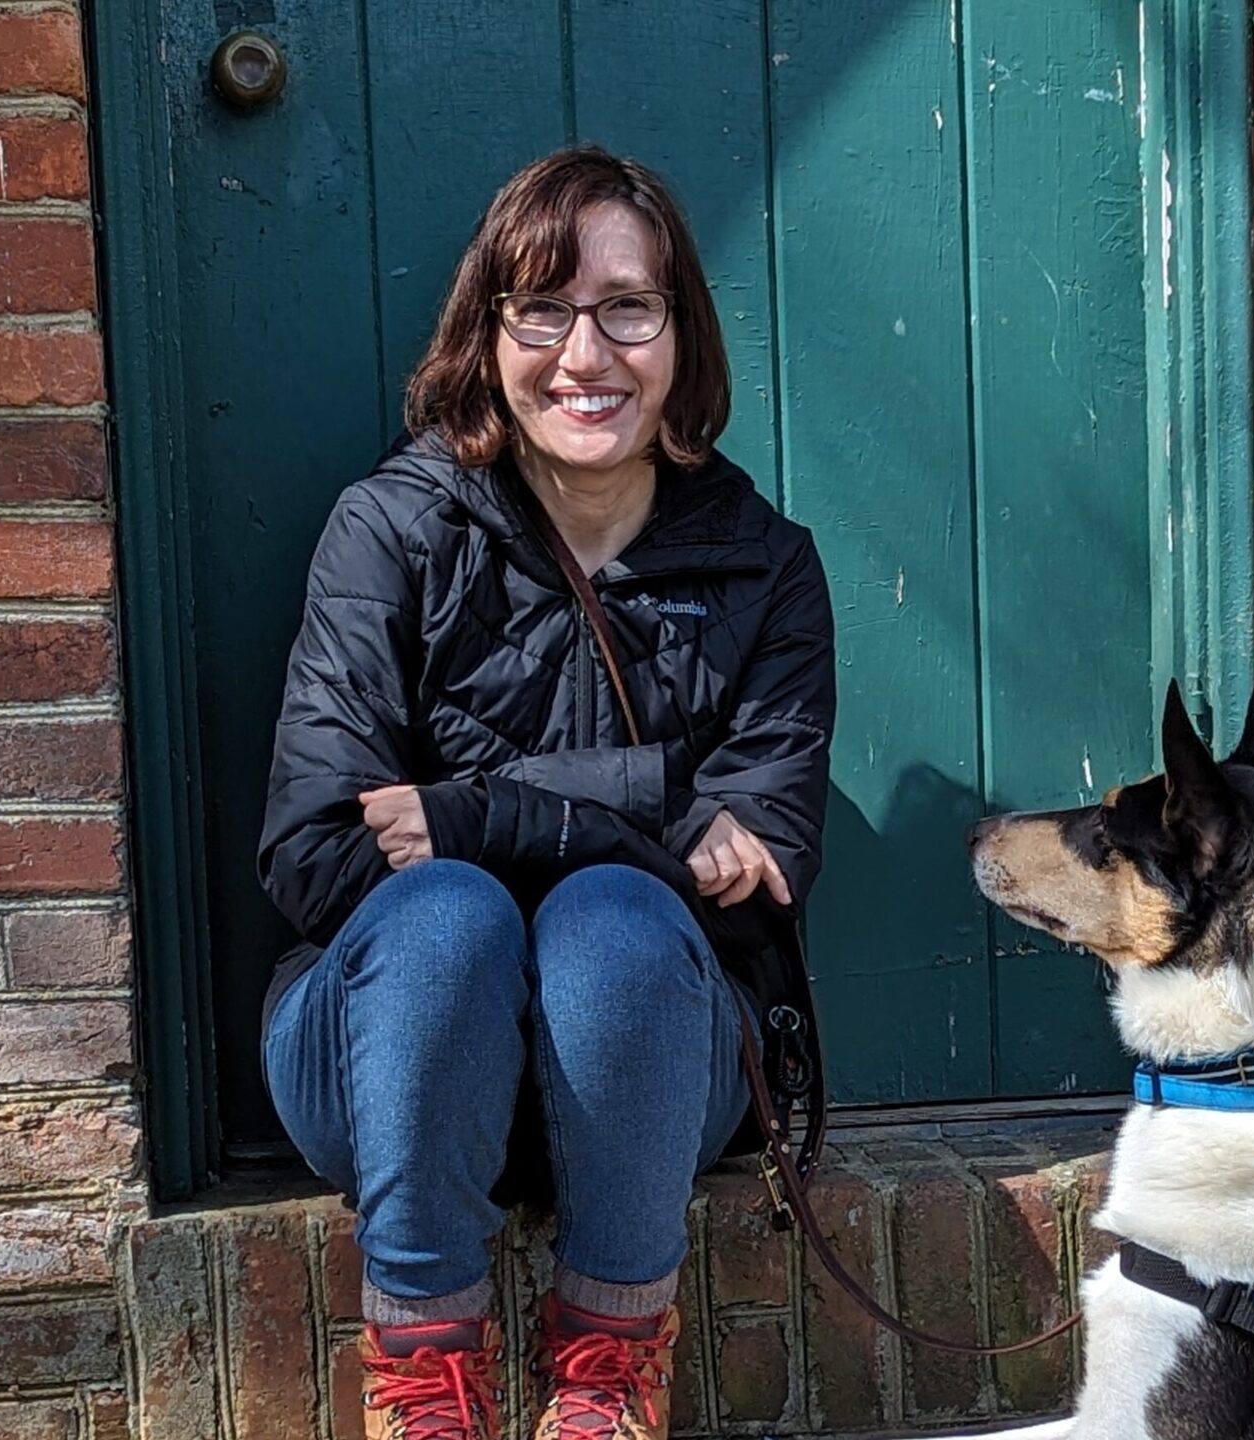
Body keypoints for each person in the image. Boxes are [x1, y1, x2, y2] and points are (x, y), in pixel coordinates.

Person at [255, 146, 834, 1440]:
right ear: (490, 331)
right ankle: (424, 1387)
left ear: (680, 334)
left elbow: (764, 857)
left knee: (615, 924)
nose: (587, 354)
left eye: (629, 307)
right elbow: (313, 849)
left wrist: (465, 811)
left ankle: (608, 1381)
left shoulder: (767, 572)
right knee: (447, 920)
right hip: (388, 1070)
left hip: (653, 1080)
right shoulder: (390, 534)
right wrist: (656, 809)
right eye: (543, 310)